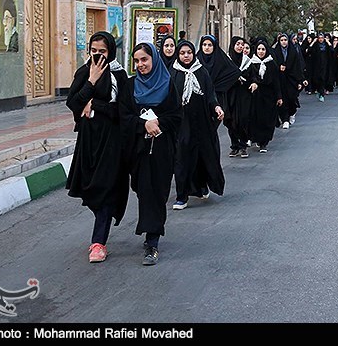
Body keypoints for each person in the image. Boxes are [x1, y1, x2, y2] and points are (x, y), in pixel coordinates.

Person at [65, 31, 129, 263]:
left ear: (110, 51)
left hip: (112, 141)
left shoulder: (119, 76)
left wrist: (95, 105)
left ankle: (98, 242)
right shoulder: (84, 72)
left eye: (103, 51)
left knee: (107, 189)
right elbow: (73, 102)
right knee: (91, 189)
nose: (98, 56)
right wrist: (91, 81)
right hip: (89, 141)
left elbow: (123, 110)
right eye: (94, 51)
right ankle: (100, 225)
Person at [118, 43, 182, 266]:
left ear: (154, 59)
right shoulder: (129, 86)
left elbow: (177, 116)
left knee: (156, 193)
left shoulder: (168, 84)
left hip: (162, 150)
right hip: (137, 150)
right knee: (143, 190)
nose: (140, 65)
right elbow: (123, 116)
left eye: (144, 59)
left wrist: (158, 123)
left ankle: (152, 241)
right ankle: (150, 231)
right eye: (136, 61)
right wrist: (143, 124)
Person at [170, 40, 225, 210]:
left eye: (189, 53)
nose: (186, 56)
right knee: (182, 158)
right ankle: (182, 196)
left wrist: (216, 107)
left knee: (203, 155)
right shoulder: (173, 73)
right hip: (182, 124)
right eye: (182, 53)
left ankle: (201, 186)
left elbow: (210, 94)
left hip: (202, 122)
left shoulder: (201, 71)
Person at [197, 35, 242, 154]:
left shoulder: (220, 59)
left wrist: (218, 86)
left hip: (217, 99)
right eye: (204, 45)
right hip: (200, 99)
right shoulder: (196, 61)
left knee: (211, 128)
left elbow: (234, 72)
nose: (207, 47)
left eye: (210, 45)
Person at [248, 39, 282, 153]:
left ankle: (264, 142)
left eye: (263, 49)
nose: (261, 51)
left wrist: (279, 97)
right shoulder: (251, 63)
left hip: (269, 96)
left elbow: (276, 81)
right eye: (259, 49)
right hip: (255, 96)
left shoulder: (271, 63)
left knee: (267, 119)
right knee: (256, 118)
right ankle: (256, 138)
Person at [225, 36, 253, 158]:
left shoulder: (247, 61)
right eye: (237, 44)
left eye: (242, 44)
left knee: (243, 120)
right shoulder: (227, 61)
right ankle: (234, 145)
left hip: (244, 95)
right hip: (230, 95)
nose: (240, 46)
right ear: (233, 45)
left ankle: (243, 145)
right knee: (231, 121)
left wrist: (252, 83)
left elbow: (253, 77)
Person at [272, 33, 305, 129]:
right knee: (282, 99)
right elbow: (273, 64)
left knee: (292, 98)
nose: (283, 42)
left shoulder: (293, 51)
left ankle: (292, 113)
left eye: (285, 40)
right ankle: (285, 119)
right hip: (280, 79)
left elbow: (297, 66)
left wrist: (300, 81)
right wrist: (279, 67)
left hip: (292, 79)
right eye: (281, 40)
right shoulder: (276, 51)